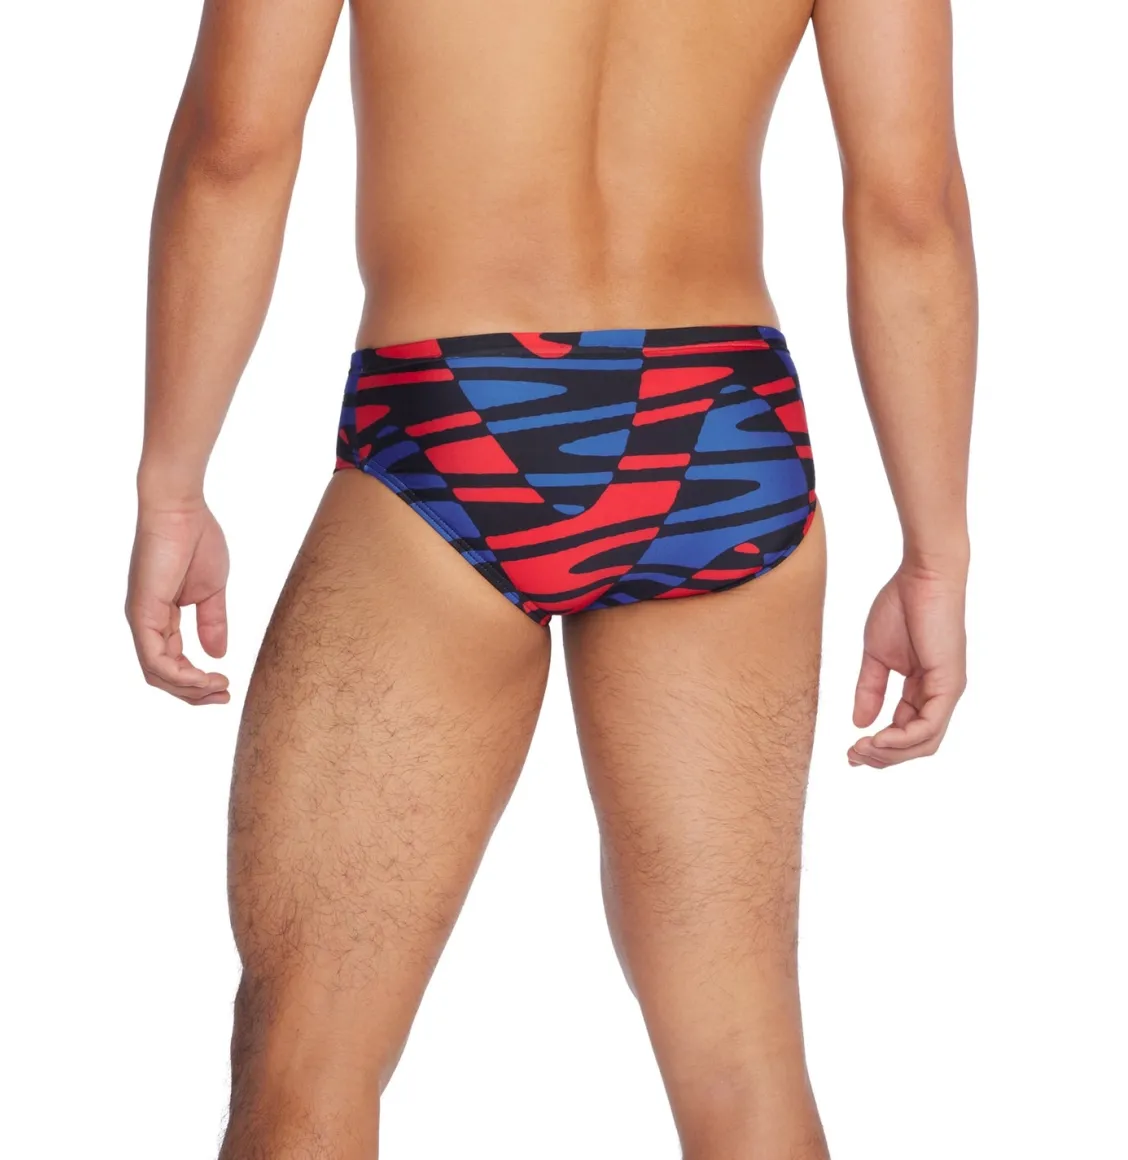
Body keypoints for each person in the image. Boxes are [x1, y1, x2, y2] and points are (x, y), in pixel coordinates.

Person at [126, 0, 976, 1154]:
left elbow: (234, 144)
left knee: (308, 1051)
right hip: (718, 431)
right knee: (739, 1055)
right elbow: (908, 206)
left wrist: (172, 483)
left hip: (455, 411)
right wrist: (933, 550)